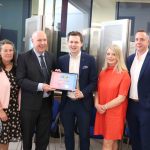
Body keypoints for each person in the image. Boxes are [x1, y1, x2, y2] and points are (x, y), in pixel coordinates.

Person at [16, 31, 56, 150]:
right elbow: (20, 80)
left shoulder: (51, 56)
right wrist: (40, 86)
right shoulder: (23, 57)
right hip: (29, 105)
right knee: (27, 137)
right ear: (32, 41)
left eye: (44, 40)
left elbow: (53, 76)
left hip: (46, 104)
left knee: (43, 138)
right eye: (39, 40)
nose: (42, 43)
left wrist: (57, 76)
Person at [58, 31, 97, 150]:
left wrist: (83, 93)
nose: (73, 44)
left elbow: (94, 82)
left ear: (81, 44)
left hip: (83, 103)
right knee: (68, 135)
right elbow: (59, 83)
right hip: (67, 103)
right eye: (71, 42)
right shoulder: (61, 59)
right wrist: (57, 78)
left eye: (76, 42)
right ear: (67, 43)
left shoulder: (89, 59)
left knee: (84, 135)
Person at [94, 44, 130, 150]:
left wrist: (104, 107)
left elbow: (121, 98)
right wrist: (96, 104)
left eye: (113, 54)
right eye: (108, 54)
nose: (110, 56)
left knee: (107, 143)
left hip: (115, 113)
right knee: (112, 141)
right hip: (101, 110)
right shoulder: (102, 72)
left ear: (119, 56)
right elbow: (97, 91)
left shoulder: (124, 74)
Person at [126, 30, 150, 150]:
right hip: (131, 106)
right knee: (134, 139)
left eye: (142, 39)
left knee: (146, 140)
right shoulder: (129, 59)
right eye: (136, 39)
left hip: (146, 107)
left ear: (148, 42)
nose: (138, 42)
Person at [0, 39, 21, 150]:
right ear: (0, 52)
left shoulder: (18, 69)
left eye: (11, 50)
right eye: (5, 50)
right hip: (2, 110)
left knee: (5, 140)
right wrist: (0, 111)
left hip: (12, 110)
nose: (9, 53)